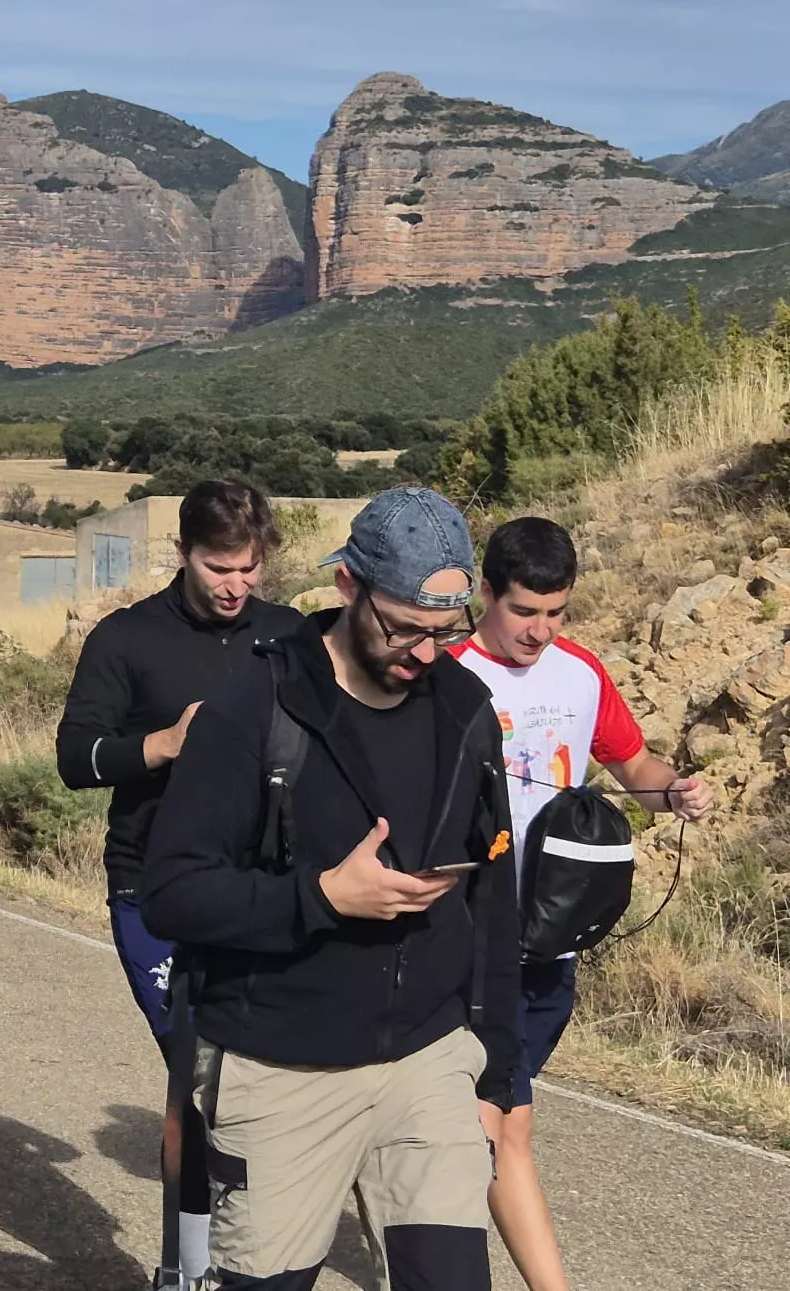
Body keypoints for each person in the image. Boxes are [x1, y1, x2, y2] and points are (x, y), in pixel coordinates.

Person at [141, 487, 521, 1291]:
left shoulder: (465, 709)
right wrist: (320, 898)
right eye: (405, 627)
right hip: (284, 1071)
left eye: (445, 631)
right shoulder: (255, 708)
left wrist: (493, 1074)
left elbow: (493, 899)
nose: (424, 652)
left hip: (429, 1063)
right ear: (347, 584)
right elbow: (172, 893)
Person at [450, 517, 712, 1291]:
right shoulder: (447, 676)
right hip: (468, 941)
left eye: (556, 613)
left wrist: (675, 793)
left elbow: (633, 765)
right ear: (486, 594)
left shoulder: (581, 675)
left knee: (492, 1130)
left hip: (552, 941)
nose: (540, 631)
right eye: (524, 611)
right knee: (497, 1126)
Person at [54, 478, 301, 1285]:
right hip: (152, 892)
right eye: (217, 567)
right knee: (198, 1075)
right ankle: (185, 1266)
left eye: (248, 569)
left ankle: (248, 1252)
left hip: (260, 892)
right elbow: (73, 758)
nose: (235, 586)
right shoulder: (126, 639)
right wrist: (164, 744)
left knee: (256, 1081)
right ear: (183, 554)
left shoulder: (290, 635)